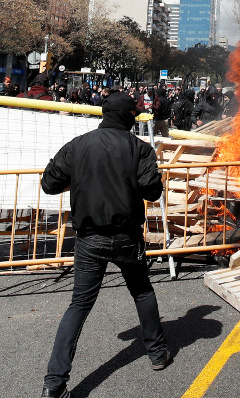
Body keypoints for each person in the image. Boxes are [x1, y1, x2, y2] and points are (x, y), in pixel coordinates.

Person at [39, 93, 171, 398]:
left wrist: (83, 178)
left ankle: (54, 383)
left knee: (79, 305)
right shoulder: (140, 148)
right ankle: (157, 353)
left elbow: (49, 183)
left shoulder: (78, 145)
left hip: (89, 238)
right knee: (141, 291)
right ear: (128, 117)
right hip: (127, 237)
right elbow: (152, 191)